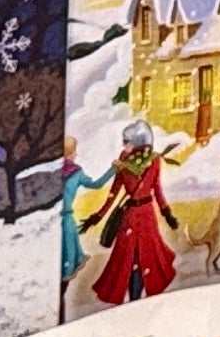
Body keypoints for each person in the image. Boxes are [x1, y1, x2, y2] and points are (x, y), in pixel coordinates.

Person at [82, 120, 180, 305]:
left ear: (138, 142)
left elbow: (157, 189)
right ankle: (131, 299)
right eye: (124, 141)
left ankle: (137, 301)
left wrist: (166, 213)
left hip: (146, 216)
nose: (123, 145)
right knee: (126, 259)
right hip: (130, 216)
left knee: (145, 258)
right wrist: (98, 215)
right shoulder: (123, 160)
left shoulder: (153, 160)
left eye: (127, 141)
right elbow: (115, 189)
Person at [59, 143, 106, 285]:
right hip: (65, 217)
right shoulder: (76, 172)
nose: (75, 155)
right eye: (73, 152)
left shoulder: (53, 171)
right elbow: (97, 184)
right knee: (68, 251)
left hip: (60, 217)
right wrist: (113, 169)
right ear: (69, 154)